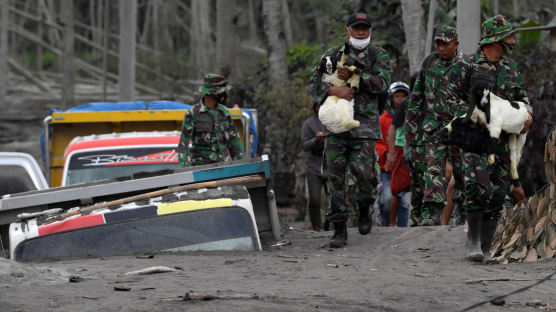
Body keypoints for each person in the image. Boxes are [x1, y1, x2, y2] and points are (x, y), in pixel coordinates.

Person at [442, 15, 533, 262]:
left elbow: (523, 100)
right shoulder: (467, 66)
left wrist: (528, 117)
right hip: (474, 140)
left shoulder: (510, 69)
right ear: (494, 41)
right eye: (507, 37)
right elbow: (449, 100)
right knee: (476, 187)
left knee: (496, 192)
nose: (511, 42)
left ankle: (487, 246)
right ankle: (472, 243)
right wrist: (475, 114)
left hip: (502, 142)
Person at [309, 12, 392, 248]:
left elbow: (382, 83)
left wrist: (356, 74)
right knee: (334, 175)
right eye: (357, 28)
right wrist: (334, 90)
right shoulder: (332, 54)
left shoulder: (378, 55)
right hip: (336, 126)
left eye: (365, 27)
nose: (361, 31)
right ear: (348, 30)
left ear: (370, 31)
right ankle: (339, 229)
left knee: (365, 174)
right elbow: (313, 84)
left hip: (364, 127)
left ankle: (364, 206)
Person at [405, 25, 465, 226]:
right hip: (433, 126)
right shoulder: (429, 62)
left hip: (459, 127)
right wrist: (410, 125)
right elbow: (417, 95)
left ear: (456, 43)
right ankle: (433, 211)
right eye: (438, 43)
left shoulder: (466, 65)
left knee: (461, 169)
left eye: (445, 44)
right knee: (433, 168)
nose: (441, 48)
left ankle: (463, 207)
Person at [177, 74, 244, 167]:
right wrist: (184, 171)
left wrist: (241, 167)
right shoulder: (193, 114)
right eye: (222, 92)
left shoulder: (224, 113)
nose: (224, 95)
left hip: (225, 170)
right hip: (201, 172)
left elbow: (234, 143)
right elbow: (183, 146)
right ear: (213, 93)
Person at [377, 82, 411, 227]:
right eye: (396, 96)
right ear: (391, 99)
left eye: (403, 97)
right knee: (387, 199)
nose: (400, 100)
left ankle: (402, 230)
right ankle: (386, 226)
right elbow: (378, 143)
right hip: (387, 168)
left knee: (404, 200)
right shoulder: (382, 120)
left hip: (403, 164)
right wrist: (387, 153)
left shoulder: (409, 117)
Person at [301, 102, 326, 232]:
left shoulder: (333, 120)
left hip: (331, 165)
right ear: (314, 107)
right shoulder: (308, 124)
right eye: (318, 105)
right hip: (314, 166)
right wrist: (316, 140)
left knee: (333, 199)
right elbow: (304, 145)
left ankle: (331, 226)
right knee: (315, 199)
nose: (320, 108)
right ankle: (316, 227)